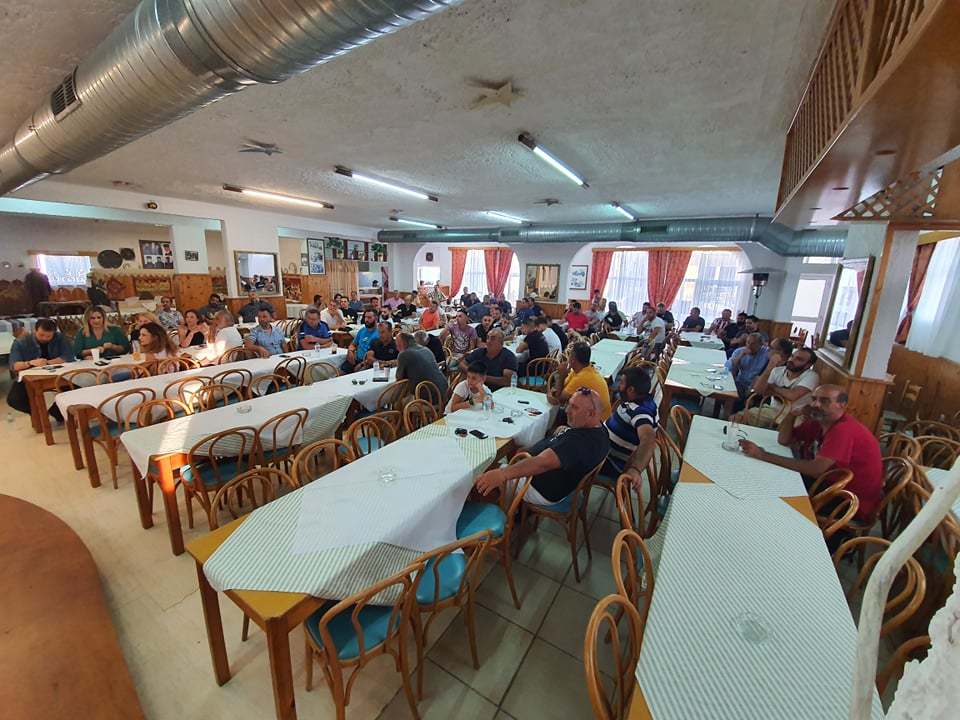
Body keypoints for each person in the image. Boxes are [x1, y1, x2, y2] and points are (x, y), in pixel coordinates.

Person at [739, 385, 884, 531]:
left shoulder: (844, 430)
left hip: (848, 501)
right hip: (827, 484)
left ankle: (767, 530)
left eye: (824, 401)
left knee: (772, 491)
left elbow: (816, 469)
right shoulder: (820, 421)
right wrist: (792, 414)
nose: (816, 405)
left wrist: (763, 455)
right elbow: (783, 439)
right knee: (769, 478)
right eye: (814, 399)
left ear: (842, 405)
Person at [475, 388, 610, 506]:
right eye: (569, 404)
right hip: (560, 480)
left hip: (542, 489)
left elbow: (542, 463)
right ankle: (512, 503)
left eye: (575, 407)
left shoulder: (578, 443)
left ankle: (496, 515)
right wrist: (566, 430)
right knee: (519, 449)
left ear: (591, 414)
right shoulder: (600, 430)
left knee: (482, 472)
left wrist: (502, 474)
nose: (567, 410)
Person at [6, 318, 73, 421]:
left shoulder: (59, 338)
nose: (45, 338)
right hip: (31, 376)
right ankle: (40, 413)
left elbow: (68, 357)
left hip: (57, 374)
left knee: (77, 387)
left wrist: (47, 362)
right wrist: (30, 363)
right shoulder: (21, 342)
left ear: (54, 333)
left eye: (49, 336)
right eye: (41, 335)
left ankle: (58, 413)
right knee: (14, 399)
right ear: (35, 330)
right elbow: (14, 365)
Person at [739, 345, 819, 427]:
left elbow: (792, 395)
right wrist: (769, 368)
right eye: (792, 356)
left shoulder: (812, 376)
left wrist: (773, 387)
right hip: (772, 411)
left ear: (807, 365)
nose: (792, 360)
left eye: (798, 359)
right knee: (738, 417)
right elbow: (759, 390)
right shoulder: (777, 371)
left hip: (794, 416)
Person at [602, 367, 659, 481]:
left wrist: (635, 469)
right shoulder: (644, 400)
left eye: (622, 383)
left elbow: (648, 438)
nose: (619, 386)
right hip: (604, 450)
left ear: (631, 389)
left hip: (610, 462)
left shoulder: (640, 412)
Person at [548, 341, 612, 420]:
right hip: (590, 413)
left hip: (596, 421)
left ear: (573, 359)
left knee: (554, 415)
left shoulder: (582, 377)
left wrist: (561, 376)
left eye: (570, 354)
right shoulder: (582, 369)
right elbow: (559, 391)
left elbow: (559, 399)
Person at [396, 332, 448, 396]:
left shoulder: (403, 354)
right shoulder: (426, 349)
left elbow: (399, 379)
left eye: (397, 344)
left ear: (402, 343)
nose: (397, 348)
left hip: (430, 395)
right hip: (445, 389)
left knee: (399, 397)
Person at [725, 332, 769, 399]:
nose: (749, 346)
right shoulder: (739, 351)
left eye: (753, 344)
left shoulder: (765, 353)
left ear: (760, 345)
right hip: (740, 383)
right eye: (748, 342)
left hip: (755, 385)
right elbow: (728, 367)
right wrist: (741, 356)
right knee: (729, 393)